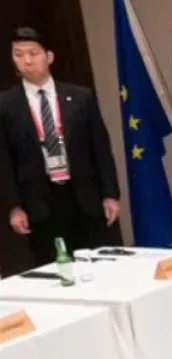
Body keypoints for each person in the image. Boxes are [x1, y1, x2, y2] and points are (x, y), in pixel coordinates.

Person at [1, 27, 119, 267]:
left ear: (49, 56)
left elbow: (100, 149)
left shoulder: (80, 97)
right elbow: (3, 161)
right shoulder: (6, 104)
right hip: (39, 202)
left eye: (33, 53)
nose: (26, 61)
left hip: (84, 197)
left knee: (96, 266)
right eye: (18, 54)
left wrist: (110, 194)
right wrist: (14, 207)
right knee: (54, 267)